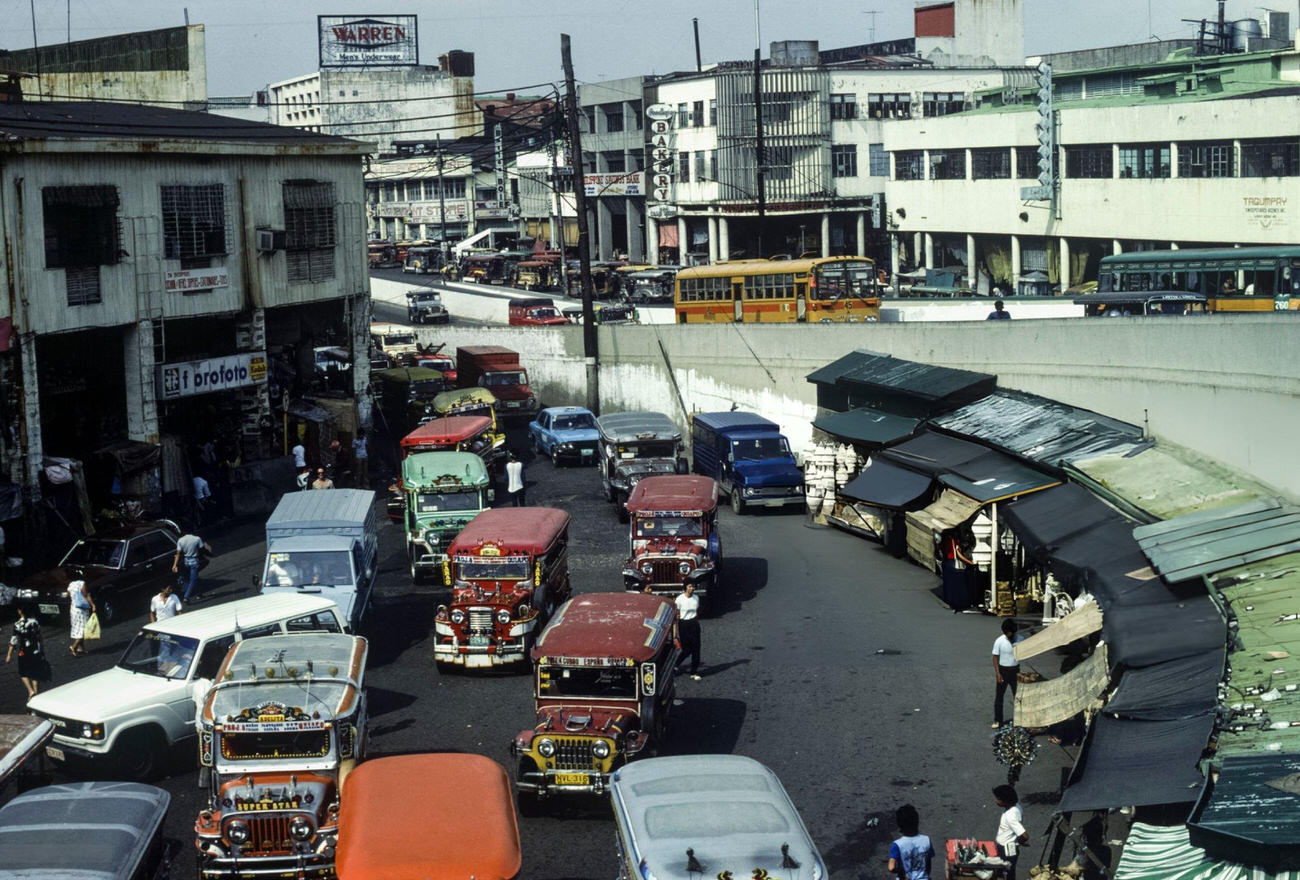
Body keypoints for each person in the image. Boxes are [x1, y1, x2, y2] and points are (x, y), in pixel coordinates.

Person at [6, 607, 46, 699]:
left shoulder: (17, 624)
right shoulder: (35, 622)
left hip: (23, 651)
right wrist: (42, 650)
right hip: (35, 650)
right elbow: (39, 637)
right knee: (35, 671)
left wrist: (9, 655)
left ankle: (30, 691)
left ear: (19, 611)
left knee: (23, 672)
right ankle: (36, 691)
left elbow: (13, 640)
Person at [888, 804, 935, 880]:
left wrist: (902, 874)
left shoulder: (897, 844)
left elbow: (891, 867)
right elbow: (928, 864)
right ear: (917, 822)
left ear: (900, 825)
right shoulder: (926, 840)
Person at [993, 784, 1029, 878]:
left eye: (998, 799)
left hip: (1006, 850)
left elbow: (1025, 835)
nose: (995, 801)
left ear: (1005, 801)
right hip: (1009, 847)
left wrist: (1020, 841)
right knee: (1009, 871)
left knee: (1006, 872)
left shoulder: (1010, 816)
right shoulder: (1016, 807)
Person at [992, 619, 1020, 729]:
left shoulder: (1020, 639)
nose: (1007, 635)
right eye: (1005, 633)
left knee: (1017, 697)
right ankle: (998, 720)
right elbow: (995, 658)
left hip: (1015, 670)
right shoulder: (999, 641)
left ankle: (1019, 720)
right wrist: (998, 673)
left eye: (1009, 633)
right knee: (999, 698)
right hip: (1003, 671)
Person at [172, 532, 211, 603]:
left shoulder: (180, 540)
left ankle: (199, 594)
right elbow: (202, 549)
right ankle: (186, 597)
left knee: (195, 578)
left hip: (186, 561)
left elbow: (178, 554)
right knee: (193, 579)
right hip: (194, 561)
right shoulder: (197, 539)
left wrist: (174, 565)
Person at [675, 583, 701, 680]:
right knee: (686, 650)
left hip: (694, 624)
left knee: (696, 649)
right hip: (683, 624)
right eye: (690, 586)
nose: (692, 588)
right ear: (685, 587)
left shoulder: (696, 598)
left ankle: (694, 672)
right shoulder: (679, 599)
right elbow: (676, 613)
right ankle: (676, 665)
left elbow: (696, 610)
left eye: (693, 586)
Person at [66, 579, 95, 656]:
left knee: (77, 627)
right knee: (84, 628)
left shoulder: (71, 584)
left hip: (73, 609)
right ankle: (74, 646)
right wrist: (92, 605)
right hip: (81, 609)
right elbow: (86, 595)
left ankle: (81, 648)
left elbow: (67, 595)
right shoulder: (82, 584)